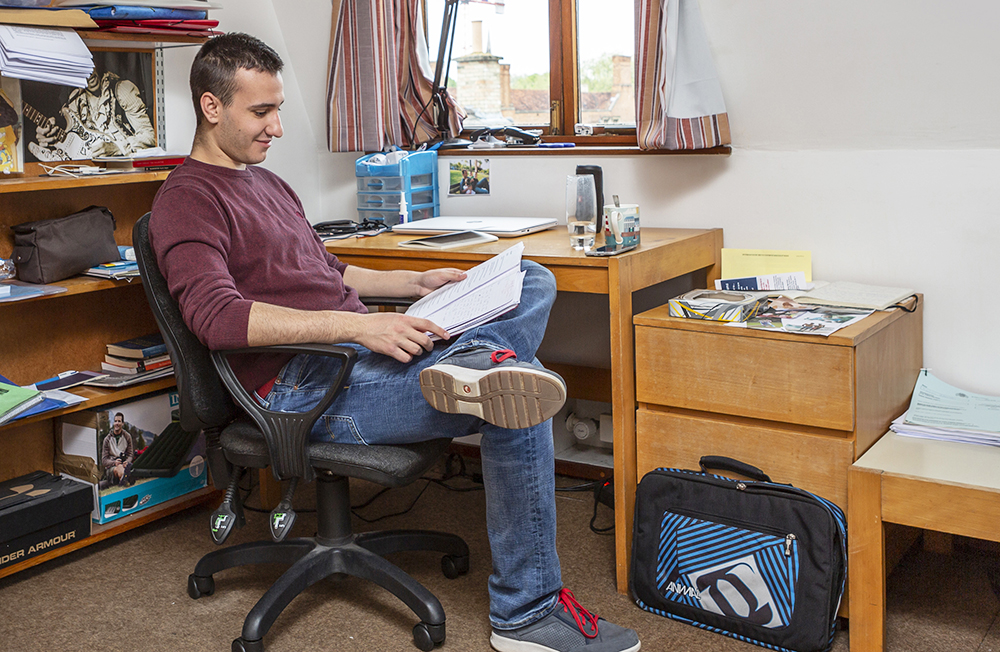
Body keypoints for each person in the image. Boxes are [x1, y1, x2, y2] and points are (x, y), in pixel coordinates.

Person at [149, 33, 640, 652]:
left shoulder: (265, 184)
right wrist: (360, 324)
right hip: (305, 392)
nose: (276, 127)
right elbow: (218, 319)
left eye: (278, 109)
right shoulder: (187, 200)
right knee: (515, 398)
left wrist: (415, 283)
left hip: (358, 359)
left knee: (529, 278)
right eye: (261, 111)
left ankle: (476, 364)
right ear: (211, 107)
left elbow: (327, 274)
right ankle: (527, 617)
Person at [30, 67, 156, 162]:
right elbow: (71, 141)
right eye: (80, 69)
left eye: (89, 66)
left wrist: (118, 149)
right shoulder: (75, 101)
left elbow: (149, 137)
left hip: (124, 168)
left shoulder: (122, 90)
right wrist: (49, 138)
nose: (88, 74)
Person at [99, 412, 134, 490]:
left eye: (119, 421)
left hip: (124, 464)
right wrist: (114, 462)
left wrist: (127, 461)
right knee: (120, 468)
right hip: (111, 468)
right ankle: (124, 482)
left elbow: (131, 454)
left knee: (124, 467)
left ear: (122, 423)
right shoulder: (107, 439)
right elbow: (104, 460)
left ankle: (124, 481)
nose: (117, 423)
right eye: (115, 421)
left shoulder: (127, 436)